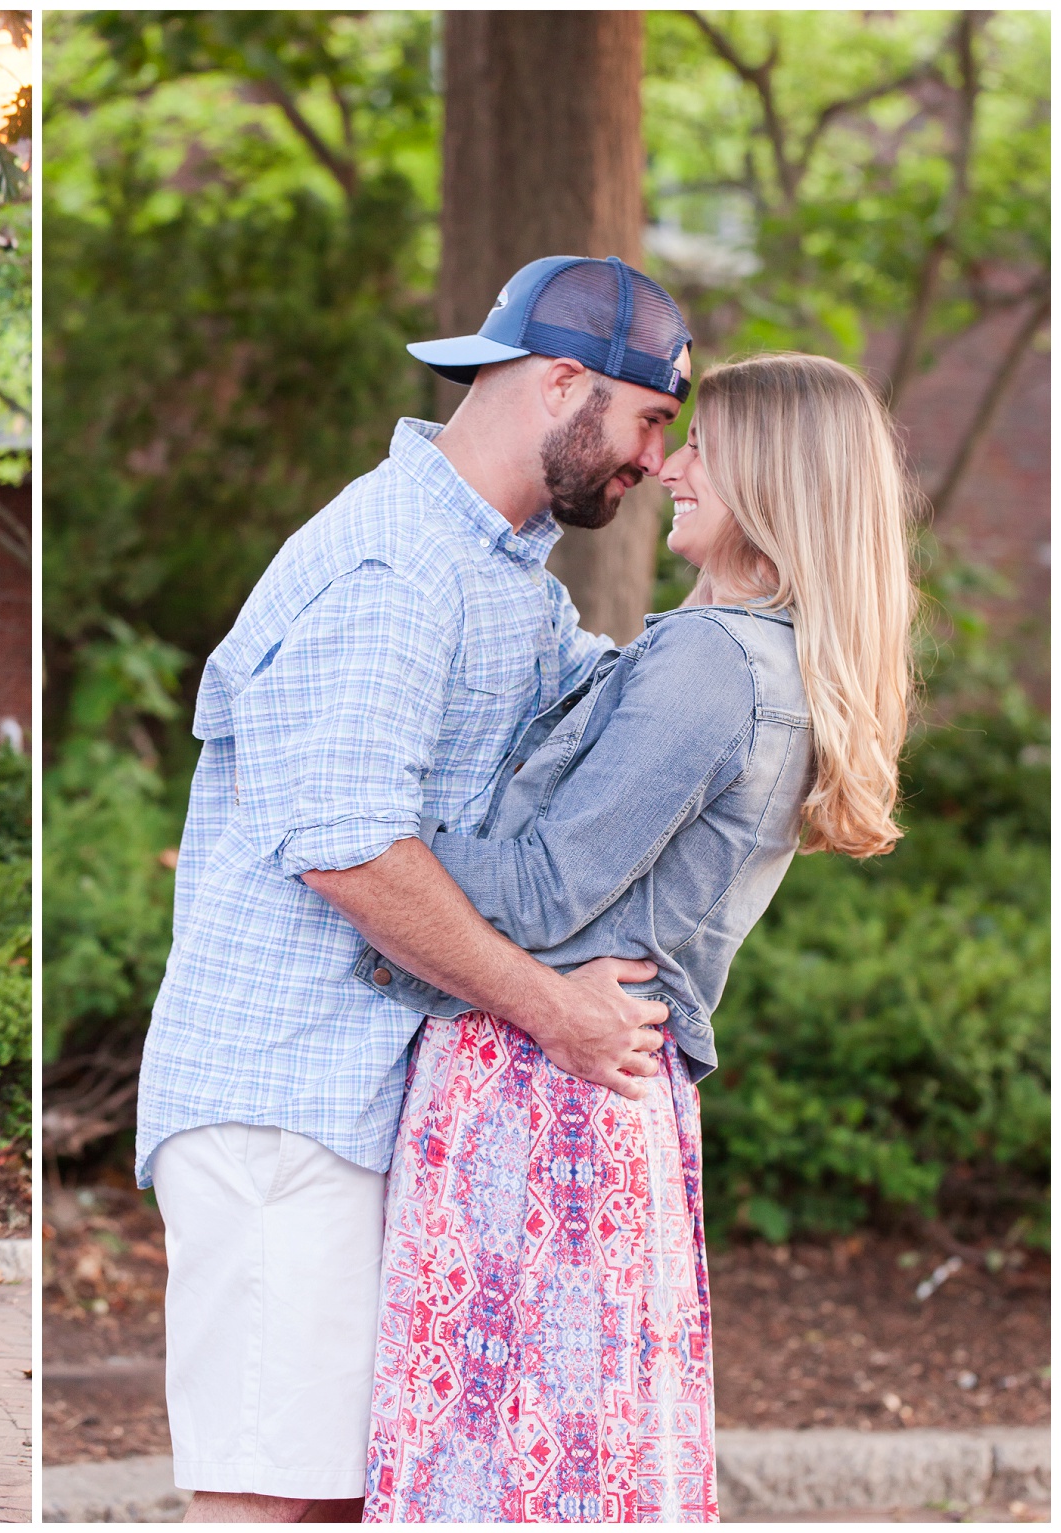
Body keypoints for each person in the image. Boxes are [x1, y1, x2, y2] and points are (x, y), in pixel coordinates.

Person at [135, 255, 694, 1522]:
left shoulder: (496, 569)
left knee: (343, 1495)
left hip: (355, 1102)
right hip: (284, 1098)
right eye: (649, 420)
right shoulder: (392, 566)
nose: (656, 461)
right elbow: (349, 850)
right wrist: (551, 1009)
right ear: (561, 382)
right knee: (272, 1501)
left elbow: (601, 727)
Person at [360, 352, 915, 1522]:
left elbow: (549, 884)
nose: (670, 464)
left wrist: (363, 842)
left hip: (536, 1086)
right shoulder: (769, 667)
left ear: (777, 479)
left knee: (492, 1469)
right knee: (580, 1462)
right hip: (607, 1095)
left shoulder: (711, 664)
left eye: (705, 444)